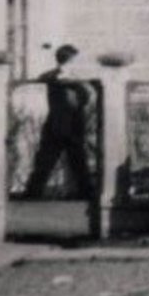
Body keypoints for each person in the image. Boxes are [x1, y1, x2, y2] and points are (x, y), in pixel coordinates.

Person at [22, 45, 91, 200]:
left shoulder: (77, 78)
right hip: (56, 125)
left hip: (74, 125)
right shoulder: (53, 76)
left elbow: (85, 98)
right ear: (70, 60)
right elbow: (42, 78)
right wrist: (60, 77)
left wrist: (73, 83)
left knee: (79, 162)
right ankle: (32, 194)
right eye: (76, 60)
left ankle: (85, 193)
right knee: (45, 162)